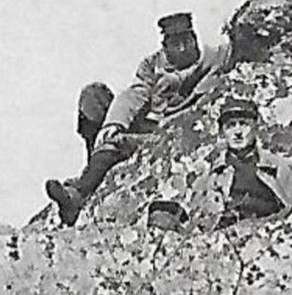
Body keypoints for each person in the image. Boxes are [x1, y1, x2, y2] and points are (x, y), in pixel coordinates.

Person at [45, 12, 236, 227]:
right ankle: (93, 165)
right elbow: (135, 93)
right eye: (175, 44)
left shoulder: (214, 58)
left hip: (170, 131)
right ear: (164, 46)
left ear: (195, 39)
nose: (183, 48)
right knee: (93, 95)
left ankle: (78, 194)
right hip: (147, 122)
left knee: (118, 144)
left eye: (187, 41)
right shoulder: (152, 65)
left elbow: (238, 48)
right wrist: (114, 123)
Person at [212, 97, 292, 226]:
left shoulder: (280, 167)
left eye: (243, 124)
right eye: (230, 125)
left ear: (255, 126)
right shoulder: (212, 175)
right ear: (222, 132)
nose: (238, 132)